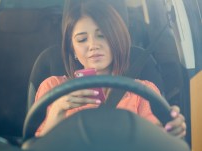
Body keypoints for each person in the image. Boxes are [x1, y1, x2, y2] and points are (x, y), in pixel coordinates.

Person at [34, 0, 186, 138]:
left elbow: (154, 142)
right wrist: (58, 109)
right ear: (73, 49)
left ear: (117, 39)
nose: (93, 45)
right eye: (82, 39)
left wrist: (169, 131)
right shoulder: (53, 88)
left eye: (102, 36)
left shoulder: (143, 91)